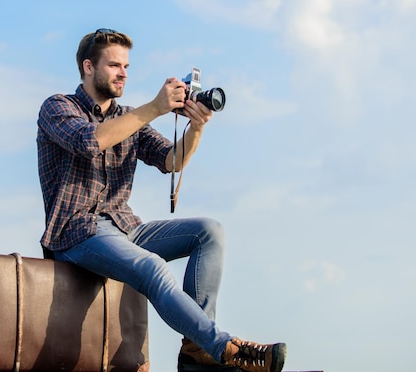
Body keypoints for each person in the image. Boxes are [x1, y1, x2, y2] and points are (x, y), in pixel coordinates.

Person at [36, 28, 287, 372]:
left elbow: (172, 161)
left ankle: (196, 351)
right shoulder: (57, 107)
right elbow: (88, 141)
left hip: (125, 227)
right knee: (152, 266)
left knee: (210, 231)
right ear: (88, 67)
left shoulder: (129, 118)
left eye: (126, 65)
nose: (123, 72)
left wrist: (196, 128)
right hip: (76, 231)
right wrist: (154, 107)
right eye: (114, 65)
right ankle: (221, 345)